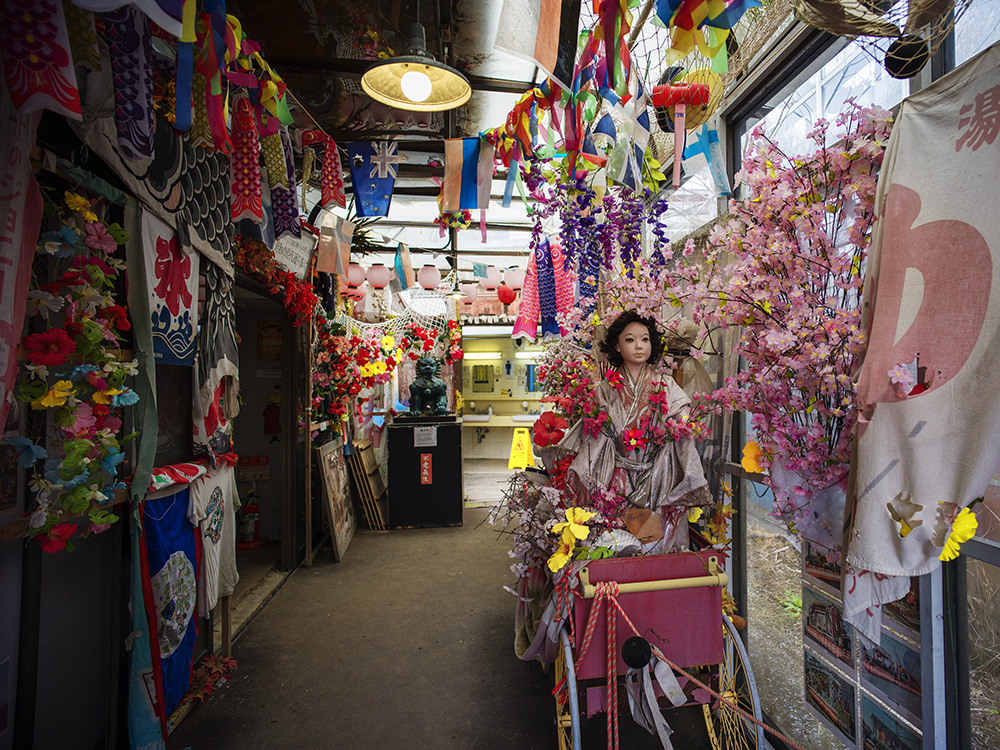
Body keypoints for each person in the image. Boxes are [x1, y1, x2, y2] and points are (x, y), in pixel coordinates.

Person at [559, 311, 711, 552]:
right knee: (615, 543)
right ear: (617, 347)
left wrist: (678, 424)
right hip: (615, 476)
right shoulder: (606, 389)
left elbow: (681, 420)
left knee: (656, 545)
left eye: (645, 339)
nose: (639, 346)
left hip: (657, 474)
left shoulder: (666, 384)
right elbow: (594, 434)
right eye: (630, 340)